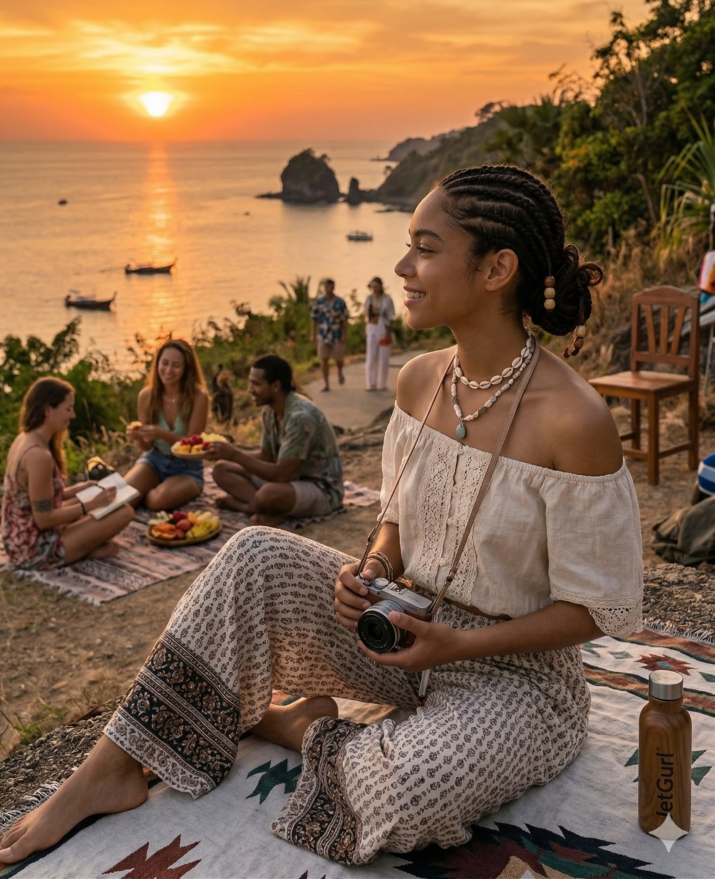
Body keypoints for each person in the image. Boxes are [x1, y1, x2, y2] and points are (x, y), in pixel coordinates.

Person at [0, 165, 643, 869]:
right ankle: (111, 769)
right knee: (255, 555)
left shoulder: (574, 420)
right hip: (399, 627)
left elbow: (597, 608)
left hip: (516, 679)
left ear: (497, 268)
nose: (402, 266)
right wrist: (371, 568)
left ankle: (299, 730)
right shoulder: (419, 380)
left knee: (401, 786)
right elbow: (396, 520)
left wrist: (454, 648)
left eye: (425, 248)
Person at [1, 378, 133, 570]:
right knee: (124, 512)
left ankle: (82, 546)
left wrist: (77, 490)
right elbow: (43, 519)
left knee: (100, 502)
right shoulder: (39, 456)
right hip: (33, 549)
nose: (73, 415)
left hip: (17, 539)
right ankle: (83, 550)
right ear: (47, 410)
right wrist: (90, 505)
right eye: (68, 409)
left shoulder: (25, 438)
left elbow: (35, 498)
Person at [207, 355, 343, 526]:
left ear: (276, 386)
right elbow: (266, 456)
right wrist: (226, 454)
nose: (249, 390)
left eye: (256, 384)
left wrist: (235, 454)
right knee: (220, 469)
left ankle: (251, 507)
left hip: (320, 489)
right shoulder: (270, 410)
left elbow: (280, 474)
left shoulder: (299, 417)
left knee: (268, 493)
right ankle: (261, 507)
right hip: (289, 481)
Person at [124, 338, 209, 510]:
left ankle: (150, 492)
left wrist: (160, 433)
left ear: (186, 369)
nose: (168, 370)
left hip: (187, 467)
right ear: (157, 364)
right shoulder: (146, 396)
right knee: (123, 499)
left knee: (158, 501)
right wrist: (138, 437)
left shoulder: (199, 397)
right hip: (154, 460)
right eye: (165, 363)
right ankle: (145, 490)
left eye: (176, 365)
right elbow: (146, 447)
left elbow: (192, 445)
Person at [310, 278, 348, 391]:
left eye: (330, 286)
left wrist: (345, 334)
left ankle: (340, 371)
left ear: (333, 287)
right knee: (324, 359)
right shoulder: (319, 302)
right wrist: (312, 334)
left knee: (339, 358)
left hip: (337, 334)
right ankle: (326, 383)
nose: (328, 289)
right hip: (323, 335)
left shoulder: (340, 302)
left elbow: (345, 319)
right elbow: (314, 318)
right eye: (326, 287)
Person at [364, 276, 395, 391]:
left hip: (383, 327)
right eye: (373, 287)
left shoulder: (387, 299)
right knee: (371, 356)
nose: (375, 289)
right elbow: (366, 314)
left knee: (384, 357)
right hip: (372, 327)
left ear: (381, 286)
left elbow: (391, 316)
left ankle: (382, 383)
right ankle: (370, 383)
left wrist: (388, 332)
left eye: (377, 287)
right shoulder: (369, 298)